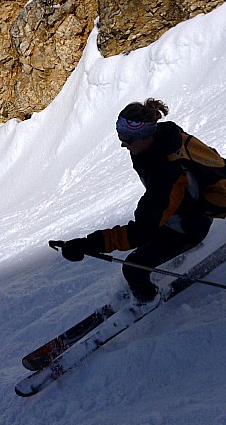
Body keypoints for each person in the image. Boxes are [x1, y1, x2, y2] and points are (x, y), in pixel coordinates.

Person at [59, 98, 213, 305]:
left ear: (145, 136)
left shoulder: (164, 174)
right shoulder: (162, 142)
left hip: (187, 227)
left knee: (133, 268)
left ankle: (148, 301)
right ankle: (174, 259)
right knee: (147, 253)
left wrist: (87, 245)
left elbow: (142, 231)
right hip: (179, 214)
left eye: (128, 140)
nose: (123, 144)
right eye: (120, 137)